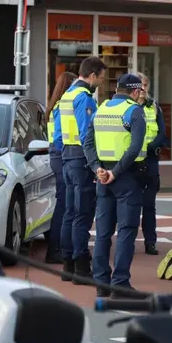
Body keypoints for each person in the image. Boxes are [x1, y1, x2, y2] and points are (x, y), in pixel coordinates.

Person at [85, 74, 147, 298]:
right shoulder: (134, 111)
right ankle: (120, 283)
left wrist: (97, 168)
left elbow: (87, 141)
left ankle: (101, 282)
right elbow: (135, 147)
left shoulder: (101, 109)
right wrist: (115, 172)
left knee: (102, 232)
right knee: (126, 231)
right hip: (126, 176)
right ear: (135, 91)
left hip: (102, 176)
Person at [59, 56, 107, 283]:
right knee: (82, 214)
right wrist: (95, 164)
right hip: (81, 159)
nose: (102, 81)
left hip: (67, 157)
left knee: (69, 213)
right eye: (101, 77)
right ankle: (81, 267)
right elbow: (87, 133)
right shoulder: (84, 98)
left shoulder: (67, 94)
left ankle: (67, 265)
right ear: (93, 75)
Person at [44, 71, 77, 264]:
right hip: (62, 155)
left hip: (56, 155)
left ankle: (57, 245)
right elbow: (60, 137)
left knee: (63, 203)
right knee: (64, 205)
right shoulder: (63, 107)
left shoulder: (54, 105)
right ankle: (55, 249)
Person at [136, 72, 169, 256]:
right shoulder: (128, 107)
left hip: (150, 160)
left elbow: (162, 132)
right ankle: (129, 241)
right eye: (139, 85)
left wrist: (149, 148)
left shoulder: (154, 107)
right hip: (132, 161)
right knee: (131, 205)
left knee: (149, 204)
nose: (142, 89)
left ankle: (150, 242)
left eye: (145, 86)